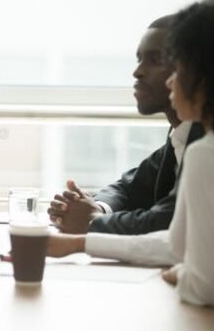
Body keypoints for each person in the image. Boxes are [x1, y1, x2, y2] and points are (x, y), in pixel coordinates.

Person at [48, 0, 214, 331]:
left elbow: (208, 287)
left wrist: (182, 274)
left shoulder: (208, 153)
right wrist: (79, 243)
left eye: (178, 67)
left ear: (210, 74)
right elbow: (176, 243)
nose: (171, 82)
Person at [47, 16, 204, 234]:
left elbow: (169, 221)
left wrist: (93, 221)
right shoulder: (181, 133)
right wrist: (98, 209)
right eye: (139, 59)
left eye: (155, 60)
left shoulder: (208, 139)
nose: (137, 71)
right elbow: (128, 187)